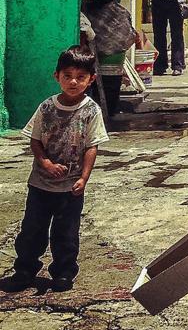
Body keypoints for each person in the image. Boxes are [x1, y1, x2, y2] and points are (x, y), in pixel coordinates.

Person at [2, 46, 109, 293]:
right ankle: (25, 269)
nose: (73, 82)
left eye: (80, 77)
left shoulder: (91, 111)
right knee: (32, 230)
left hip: (71, 188)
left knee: (66, 234)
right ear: (57, 76)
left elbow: (92, 146)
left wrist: (84, 178)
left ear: (90, 79)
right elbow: (35, 139)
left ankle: (63, 272)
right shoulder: (47, 108)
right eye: (67, 75)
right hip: (40, 185)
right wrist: (46, 163)